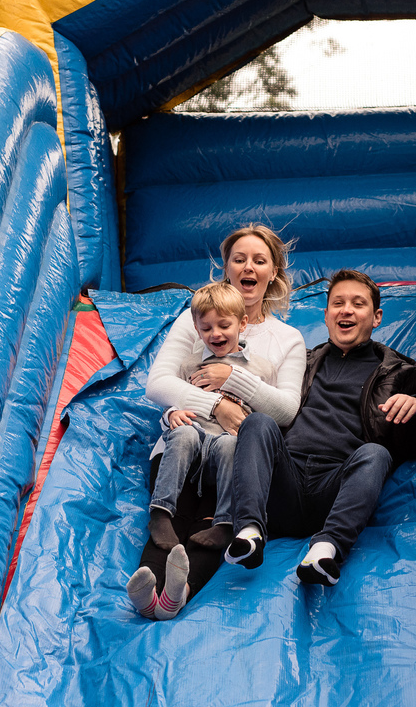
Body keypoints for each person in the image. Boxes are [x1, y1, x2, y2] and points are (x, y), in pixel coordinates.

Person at [128, 225, 306, 619]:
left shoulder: (287, 338)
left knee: (215, 516)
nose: (248, 267)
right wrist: (215, 407)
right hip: (187, 439)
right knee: (173, 510)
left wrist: (232, 379)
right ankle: (149, 591)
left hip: (235, 451)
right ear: (226, 268)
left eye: (259, 261)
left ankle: (178, 593)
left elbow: (286, 410)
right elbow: (158, 383)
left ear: (272, 272)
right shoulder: (196, 318)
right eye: (238, 259)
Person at [224, 269, 416, 586]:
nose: (347, 310)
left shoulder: (401, 372)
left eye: (358, 303)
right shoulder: (299, 361)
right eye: (338, 303)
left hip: (338, 488)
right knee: (258, 422)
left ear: (377, 316)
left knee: (376, 453)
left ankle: (326, 550)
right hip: (283, 480)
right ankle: (249, 532)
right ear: (326, 316)